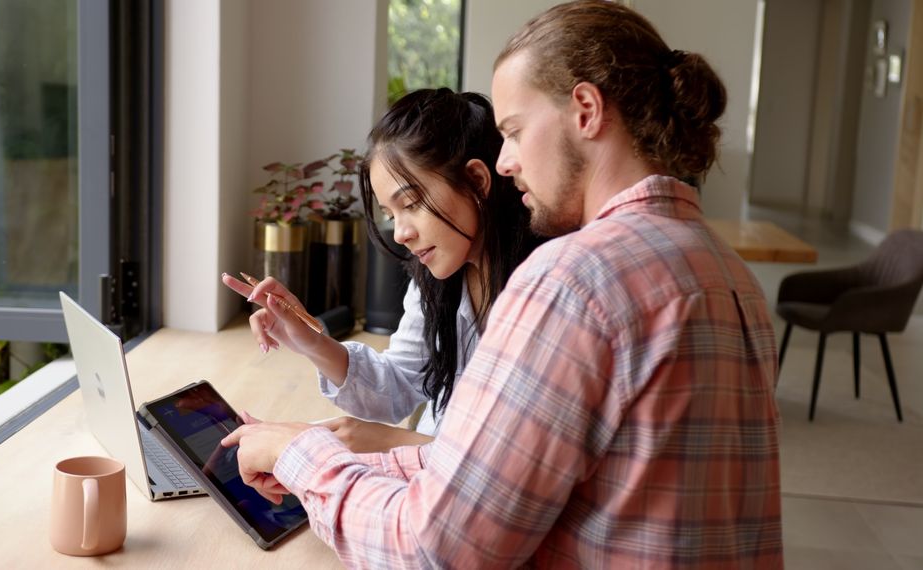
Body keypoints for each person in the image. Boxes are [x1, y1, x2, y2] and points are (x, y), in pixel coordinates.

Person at [222, 1, 784, 567]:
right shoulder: (732, 274)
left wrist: (303, 454)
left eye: (513, 132)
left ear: (585, 110)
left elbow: (437, 549)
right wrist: (342, 440)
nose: (506, 162)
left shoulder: (570, 281)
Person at [222, 88, 543, 453]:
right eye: (391, 215)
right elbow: (399, 384)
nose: (402, 233)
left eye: (411, 203)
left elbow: (512, 463)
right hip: (421, 478)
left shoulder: (545, 292)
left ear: (477, 181)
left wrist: (377, 441)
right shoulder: (435, 281)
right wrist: (310, 341)